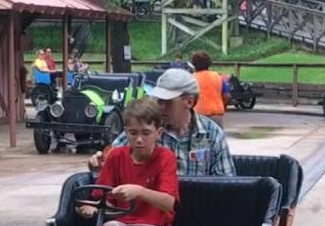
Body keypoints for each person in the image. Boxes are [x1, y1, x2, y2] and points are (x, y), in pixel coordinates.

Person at [86, 68, 235, 176]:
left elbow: (226, 182)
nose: (160, 106)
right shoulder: (146, 128)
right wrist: (98, 164)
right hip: (152, 207)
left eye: (167, 102)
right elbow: (109, 161)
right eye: (158, 100)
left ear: (189, 102)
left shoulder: (212, 133)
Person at [75, 98, 178, 226]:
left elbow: (169, 203)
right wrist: (92, 206)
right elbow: (104, 198)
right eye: (133, 133)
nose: (139, 139)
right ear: (126, 132)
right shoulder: (116, 156)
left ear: (158, 133)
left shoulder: (166, 158)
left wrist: (139, 192)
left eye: (146, 133)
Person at [189, 51, 227, 126]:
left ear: (193, 64)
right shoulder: (218, 77)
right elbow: (227, 96)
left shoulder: (191, 79)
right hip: (217, 114)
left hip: (199, 114)